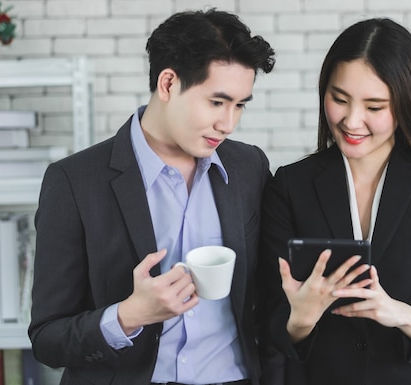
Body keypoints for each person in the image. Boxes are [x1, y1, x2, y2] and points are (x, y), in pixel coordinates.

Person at [28, 9, 275, 385]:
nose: (228, 123)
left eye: (239, 105)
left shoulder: (249, 167)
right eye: (216, 102)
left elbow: (266, 299)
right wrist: (129, 315)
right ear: (168, 83)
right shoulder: (74, 182)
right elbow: (48, 339)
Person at [257, 17, 411, 384]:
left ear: (406, 105)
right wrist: (301, 318)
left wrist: (400, 313)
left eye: (374, 107)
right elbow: (269, 321)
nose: (352, 120)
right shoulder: (290, 184)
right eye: (339, 99)